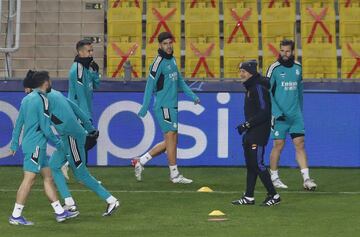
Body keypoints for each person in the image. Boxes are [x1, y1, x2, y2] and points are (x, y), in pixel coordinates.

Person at [25, 70, 120, 216]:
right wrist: (89, 128)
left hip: (71, 138)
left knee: (81, 174)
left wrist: (64, 137)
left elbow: (46, 125)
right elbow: (76, 109)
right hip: (68, 137)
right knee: (54, 165)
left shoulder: (43, 100)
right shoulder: (55, 94)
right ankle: (69, 203)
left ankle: (111, 200)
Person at [9, 72, 79, 225]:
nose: (51, 83)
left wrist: (14, 143)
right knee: (29, 179)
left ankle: (60, 212)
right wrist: (59, 143)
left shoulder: (26, 99)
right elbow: (46, 128)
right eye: (50, 81)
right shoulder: (43, 100)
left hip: (31, 144)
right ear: (45, 83)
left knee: (48, 177)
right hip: (36, 146)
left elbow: (19, 123)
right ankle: (16, 215)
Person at [132, 32, 200, 183]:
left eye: (170, 43)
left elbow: (180, 81)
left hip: (172, 106)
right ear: (160, 45)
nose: (168, 46)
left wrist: (192, 96)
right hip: (164, 107)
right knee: (171, 138)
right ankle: (174, 174)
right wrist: (144, 107)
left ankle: (141, 161)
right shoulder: (157, 63)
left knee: (171, 141)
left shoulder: (173, 60)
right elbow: (149, 86)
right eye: (165, 43)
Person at [266, 39, 317, 190]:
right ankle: (274, 178)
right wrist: (275, 112)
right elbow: (267, 92)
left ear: (293, 51)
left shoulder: (298, 67)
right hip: (279, 116)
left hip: (295, 115)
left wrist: (299, 111)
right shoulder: (274, 68)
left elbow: (300, 91)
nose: (284, 54)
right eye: (282, 50)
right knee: (278, 145)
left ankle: (307, 179)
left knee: (300, 144)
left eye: (287, 51)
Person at [232, 60, 281, 206]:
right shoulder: (251, 86)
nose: (241, 74)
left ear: (251, 73)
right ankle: (249, 196)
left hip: (258, 131)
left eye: (244, 71)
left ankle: (274, 195)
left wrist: (247, 124)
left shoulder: (258, 87)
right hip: (251, 131)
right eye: (240, 71)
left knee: (258, 164)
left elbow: (265, 112)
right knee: (251, 165)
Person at [65, 39, 101, 174]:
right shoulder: (77, 70)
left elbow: (96, 85)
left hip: (84, 109)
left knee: (82, 142)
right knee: (85, 141)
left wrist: (95, 73)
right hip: (78, 110)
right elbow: (80, 96)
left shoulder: (87, 67)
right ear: (80, 52)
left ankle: (67, 164)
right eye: (88, 51)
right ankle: (80, 172)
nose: (91, 53)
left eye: (92, 50)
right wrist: (86, 117)